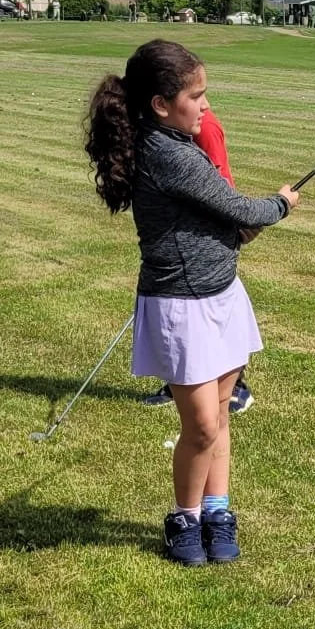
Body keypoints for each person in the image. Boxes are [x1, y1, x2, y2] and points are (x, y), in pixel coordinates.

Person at [84, 40, 299, 566]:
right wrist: (279, 204)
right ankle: (184, 517)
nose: (205, 106)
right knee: (202, 424)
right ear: (161, 104)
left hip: (220, 293)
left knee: (221, 414)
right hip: (181, 305)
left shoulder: (177, 145)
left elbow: (208, 215)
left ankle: (217, 512)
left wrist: (232, 231)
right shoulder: (170, 154)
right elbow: (230, 202)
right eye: (196, 96)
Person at [139, 98, 254, 415]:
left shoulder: (205, 129)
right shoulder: (162, 137)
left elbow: (218, 189)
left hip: (216, 229)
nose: (201, 104)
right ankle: (184, 382)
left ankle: (235, 386)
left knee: (216, 312)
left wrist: (234, 226)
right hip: (186, 245)